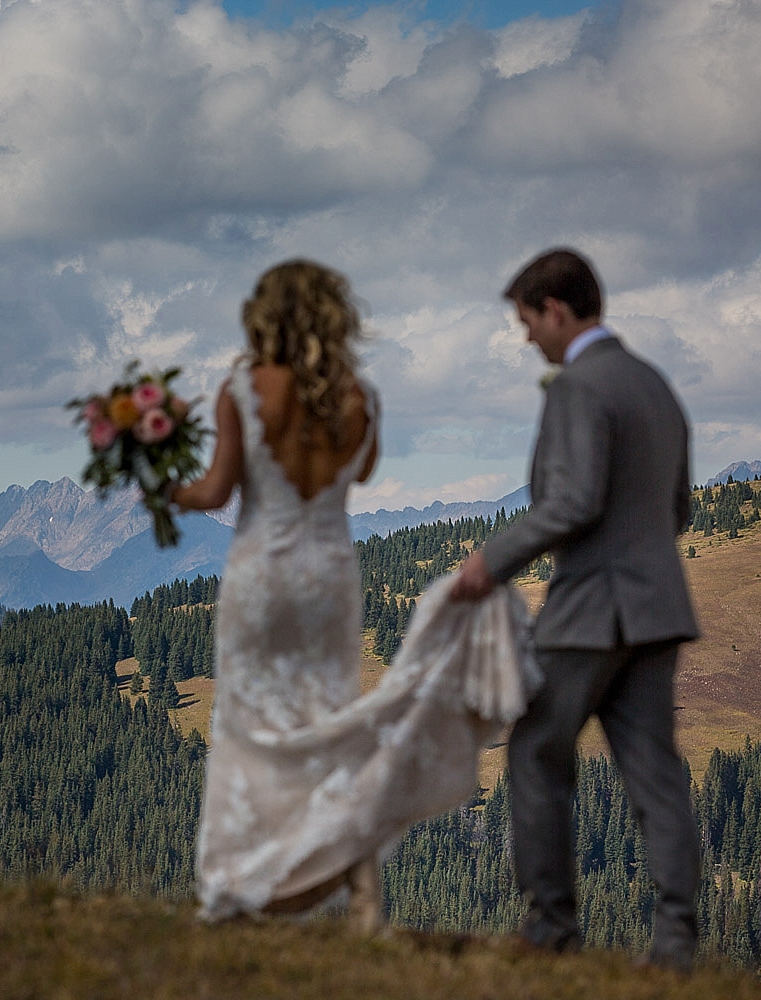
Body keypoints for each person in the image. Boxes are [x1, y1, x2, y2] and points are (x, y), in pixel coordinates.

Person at [173, 260, 536, 931]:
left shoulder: (243, 390)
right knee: (330, 721)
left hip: (263, 576)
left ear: (267, 317)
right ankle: (361, 888)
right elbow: (361, 470)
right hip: (330, 576)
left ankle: (242, 885)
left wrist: (166, 482)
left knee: (251, 725)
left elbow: (217, 490)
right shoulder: (359, 398)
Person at [449, 248, 701, 970]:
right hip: (657, 610)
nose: (528, 338)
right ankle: (676, 945)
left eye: (528, 322)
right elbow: (676, 507)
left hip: (591, 609)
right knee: (654, 771)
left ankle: (552, 927)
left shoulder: (577, 389)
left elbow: (574, 501)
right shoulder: (656, 386)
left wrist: (490, 562)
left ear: (556, 311)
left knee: (533, 747)